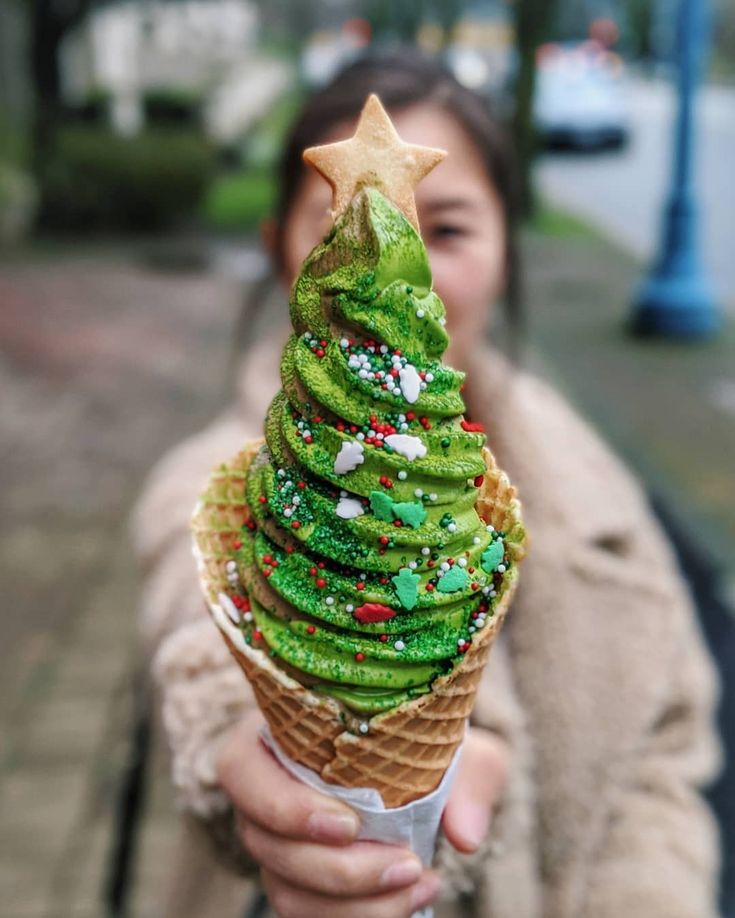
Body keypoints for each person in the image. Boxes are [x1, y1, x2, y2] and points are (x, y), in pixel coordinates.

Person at [132, 51, 722, 918]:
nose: (406, 271)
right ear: (278, 252)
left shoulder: (600, 490)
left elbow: (660, 770)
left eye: (445, 230)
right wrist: (237, 739)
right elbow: (188, 613)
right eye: (345, 225)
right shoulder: (222, 473)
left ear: (505, 251)